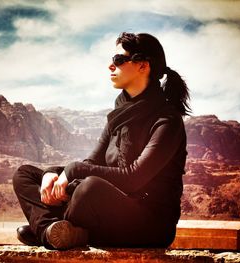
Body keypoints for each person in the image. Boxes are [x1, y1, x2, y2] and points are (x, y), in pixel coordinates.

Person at [13, 32, 190, 250]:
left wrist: (73, 171)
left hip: (148, 224)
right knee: (26, 174)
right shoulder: (119, 115)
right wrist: (53, 172)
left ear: (143, 66)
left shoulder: (167, 121)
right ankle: (53, 232)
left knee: (89, 188)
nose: (110, 66)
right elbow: (91, 162)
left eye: (118, 60)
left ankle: (45, 228)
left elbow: (133, 177)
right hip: (106, 212)